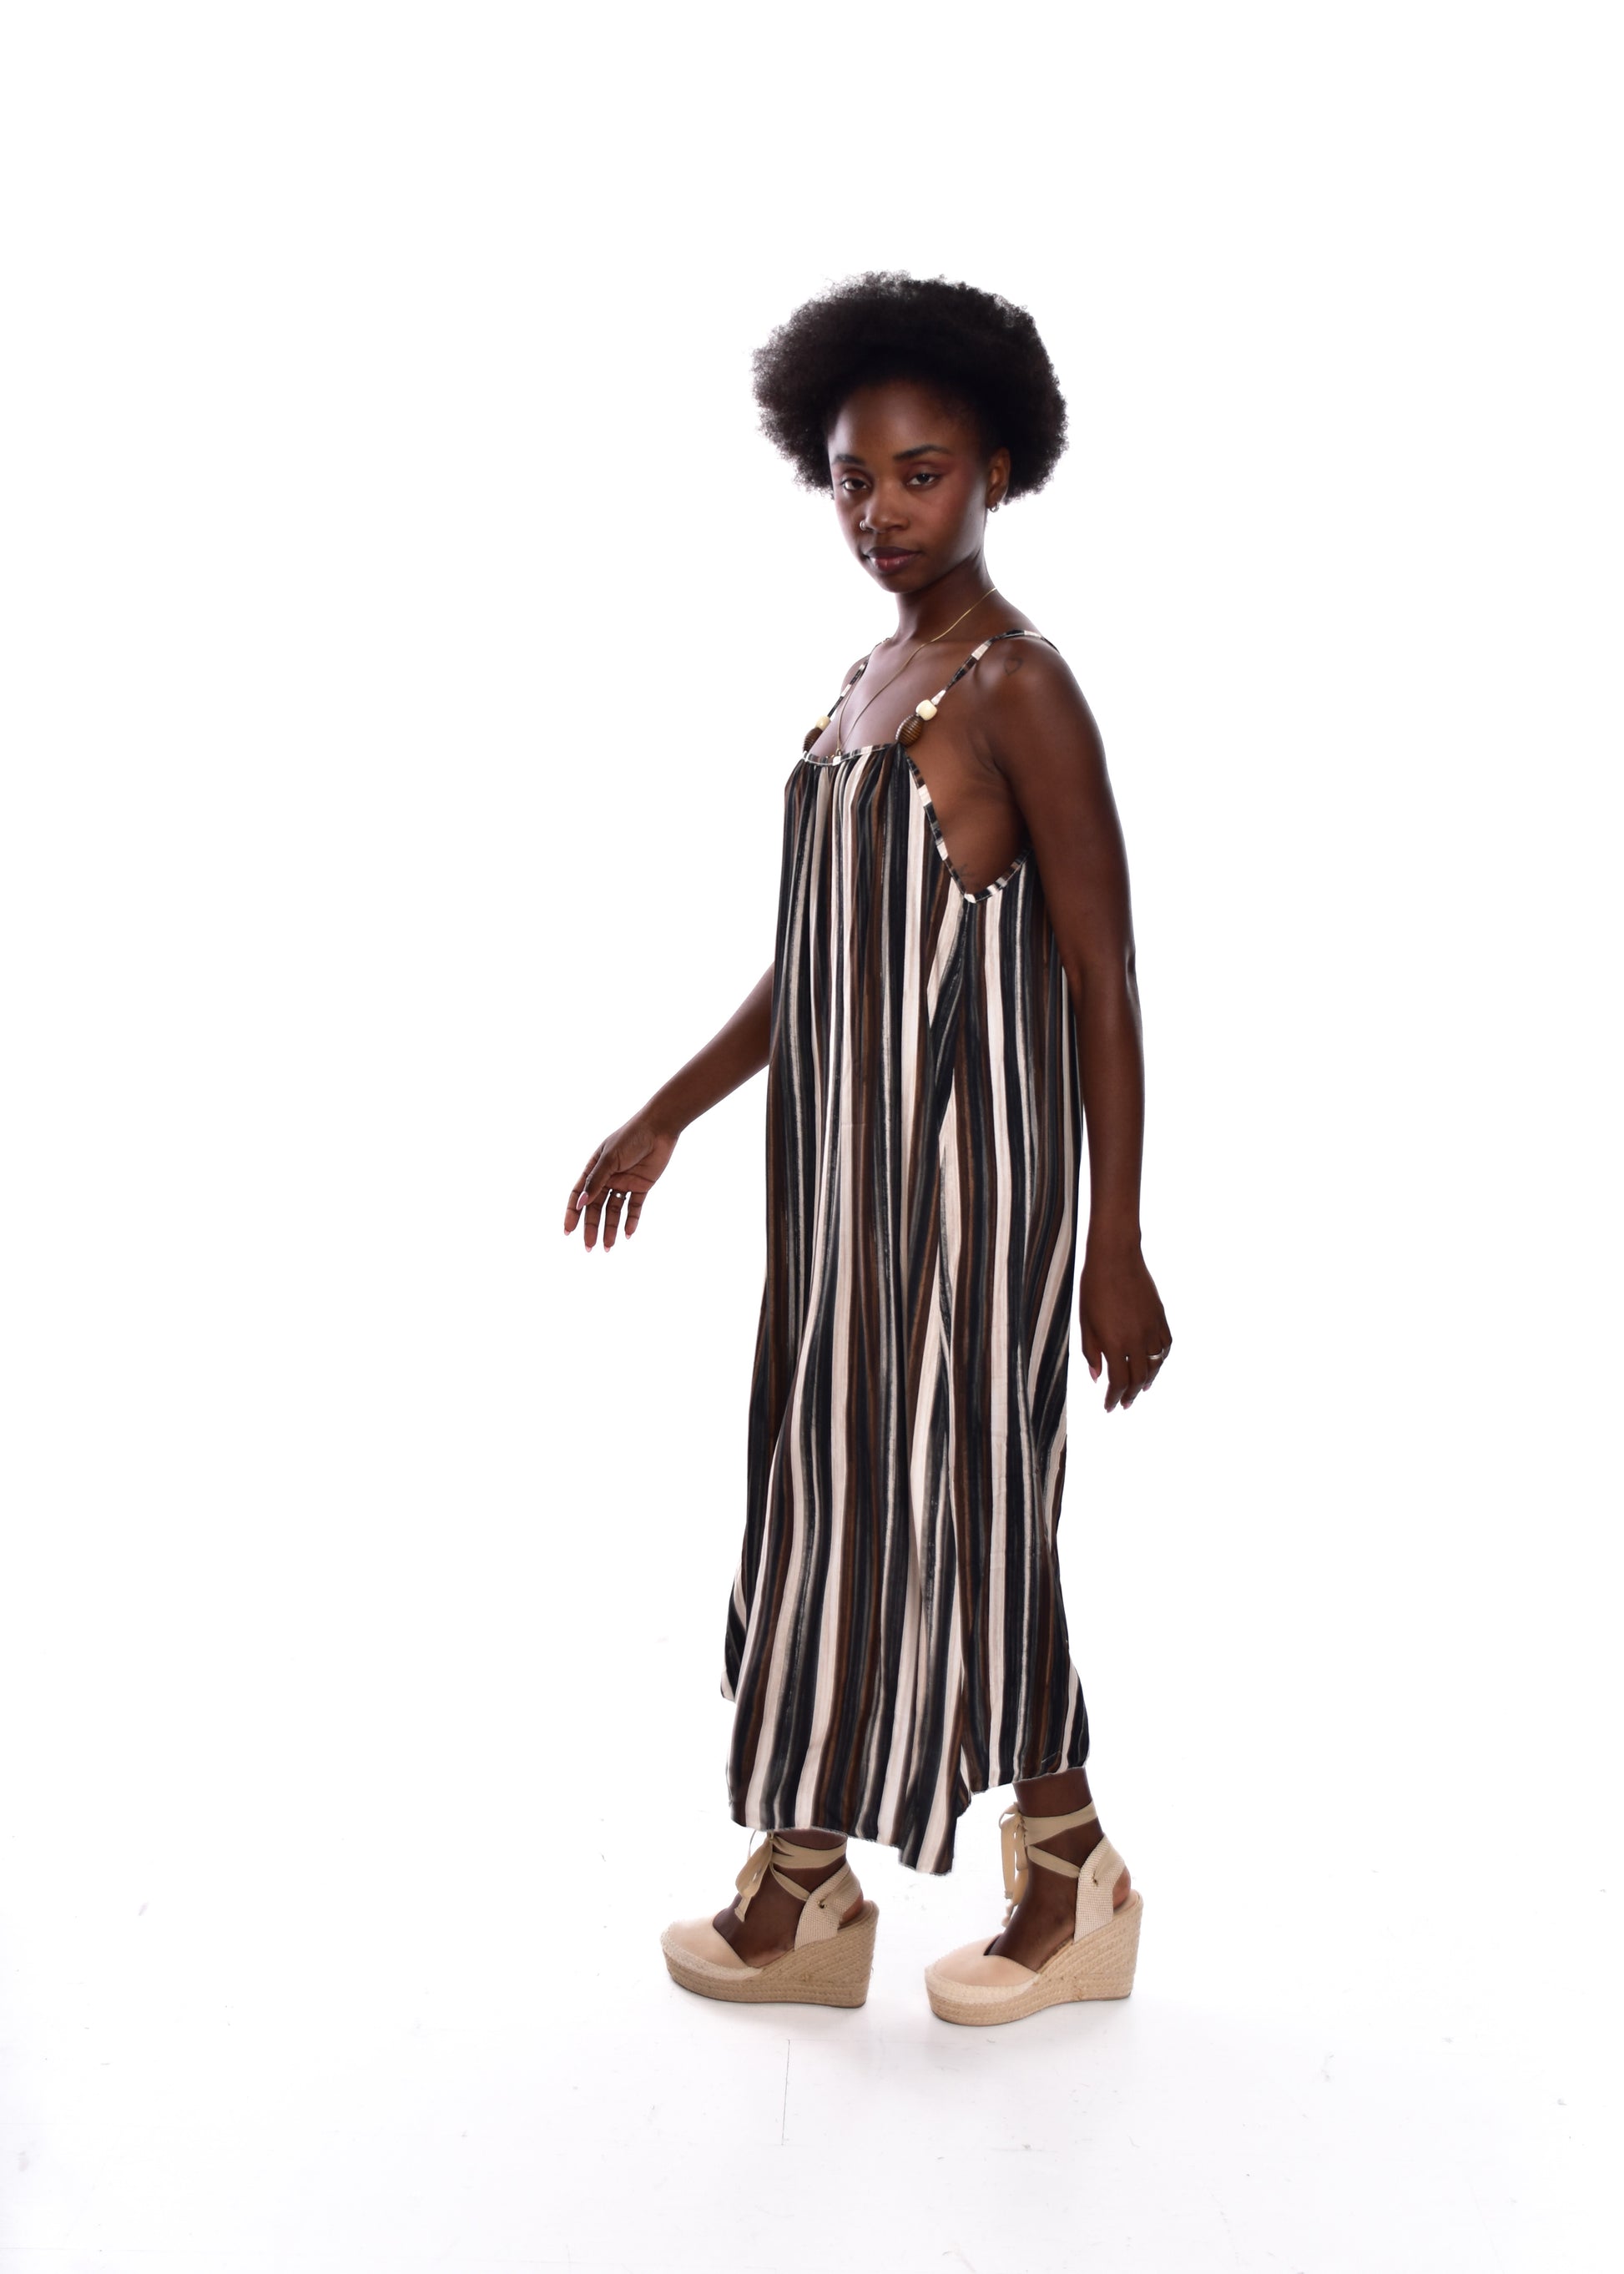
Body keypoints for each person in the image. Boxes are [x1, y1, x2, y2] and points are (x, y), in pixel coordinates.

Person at [562, 272, 1171, 2027]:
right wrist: (668, 1108)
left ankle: (1072, 1879)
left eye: (920, 474)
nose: (880, 510)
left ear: (998, 469)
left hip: (971, 1196)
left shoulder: (1019, 685)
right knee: (827, 1507)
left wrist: (1115, 1242)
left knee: (970, 1514)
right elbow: (818, 955)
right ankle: (807, 1891)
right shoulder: (861, 683)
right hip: (840, 1200)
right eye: (851, 477)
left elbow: (1102, 970)